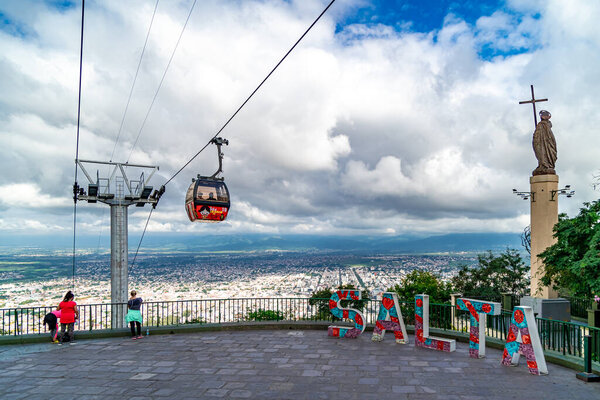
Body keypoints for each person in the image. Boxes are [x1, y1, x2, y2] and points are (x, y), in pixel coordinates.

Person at [532, 110, 557, 176]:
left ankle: (547, 165)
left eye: (546, 115)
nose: (544, 116)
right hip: (540, 143)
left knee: (549, 152)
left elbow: (549, 135)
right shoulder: (540, 125)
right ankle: (543, 165)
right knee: (541, 153)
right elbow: (536, 136)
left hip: (548, 142)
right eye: (543, 115)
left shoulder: (546, 124)